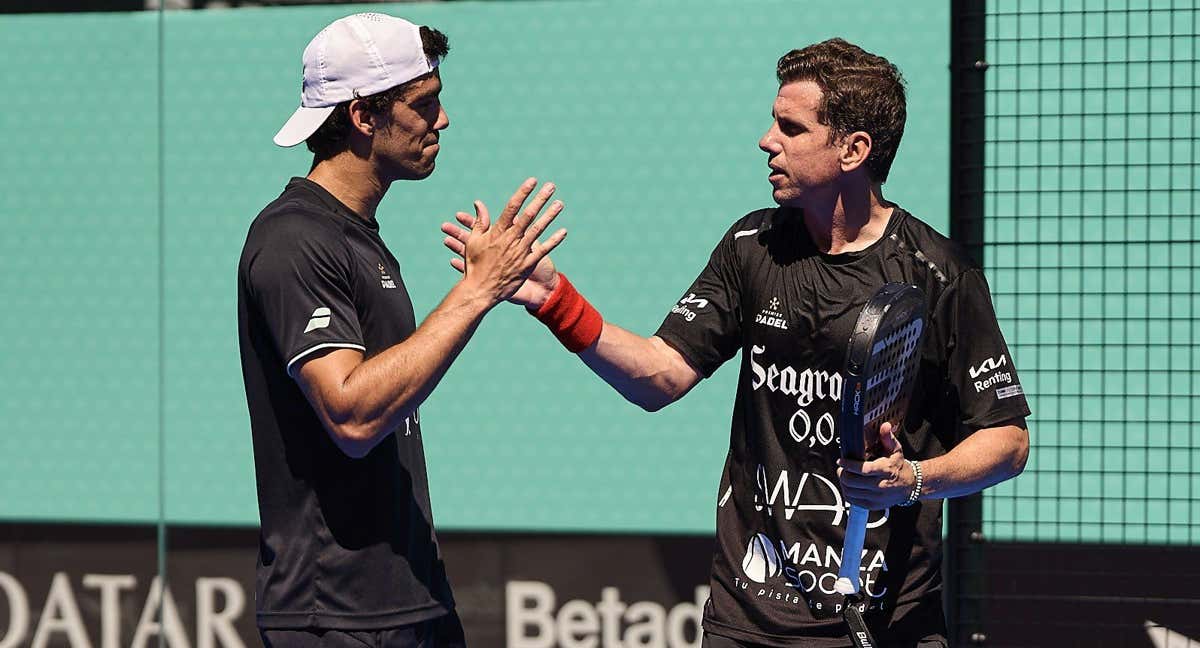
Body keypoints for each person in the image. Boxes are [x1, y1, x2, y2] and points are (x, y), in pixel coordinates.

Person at [442, 38, 1030, 647]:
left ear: (853, 150)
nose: (766, 140)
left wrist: (915, 478)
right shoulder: (752, 246)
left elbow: (1007, 441)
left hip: (887, 622)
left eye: (790, 127)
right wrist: (553, 299)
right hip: (747, 620)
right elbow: (659, 375)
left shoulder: (938, 274)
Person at [237, 13, 565, 647]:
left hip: (410, 602)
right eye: (427, 104)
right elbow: (353, 415)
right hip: (333, 618)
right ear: (363, 117)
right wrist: (476, 291)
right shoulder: (293, 239)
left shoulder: (359, 239)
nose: (442, 121)